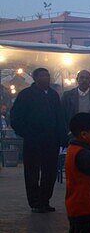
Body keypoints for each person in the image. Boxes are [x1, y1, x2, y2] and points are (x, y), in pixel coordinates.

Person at [10, 67, 68, 212]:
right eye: (42, 75)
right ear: (35, 78)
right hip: (33, 140)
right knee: (32, 171)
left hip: (51, 140)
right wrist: (26, 133)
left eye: (47, 75)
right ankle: (35, 202)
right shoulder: (26, 94)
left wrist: (62, 136)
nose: (45, 78)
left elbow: (59, 117)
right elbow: (15, 117)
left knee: (50, 171)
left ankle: (45, 199)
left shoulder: (53, 95)